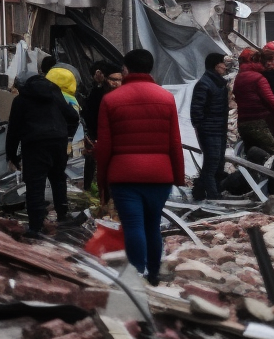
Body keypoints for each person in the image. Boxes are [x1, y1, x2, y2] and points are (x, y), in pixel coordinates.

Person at [96, 50, 183, 283]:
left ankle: (136, 273)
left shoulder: (111, 99)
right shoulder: (166, 97)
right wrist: (179, 176)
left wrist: (102, 180)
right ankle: (154, 273)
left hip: (124, 174)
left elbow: (104, 146)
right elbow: (175, 141)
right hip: (160, 174)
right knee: (152, 224)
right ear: (150, 68)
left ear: (126, 69)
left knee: (133, 224)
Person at [6, 60, 79, 234]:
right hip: (59, 141)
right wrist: (64, 132)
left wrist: (12, 155)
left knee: (35, 184)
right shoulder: (55, 93)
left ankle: (35, 226)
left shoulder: (21, 100)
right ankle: (62, 216)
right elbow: (73, 116)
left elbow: (14, 130)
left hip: (35, 143)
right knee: (58, 178)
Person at [190, 52, 230, 202]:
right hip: (209, 130)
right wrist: (201, 126)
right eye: (222, 64)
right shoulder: (204, 84)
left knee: (218, 162)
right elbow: (196, 110)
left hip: (219, 129)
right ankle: (214, 196)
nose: (225, 67)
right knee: (212, 163)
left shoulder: (219, 83)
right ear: (215, 65)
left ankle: (199, 191)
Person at [235, 49, 274, 155]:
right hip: (258, 121)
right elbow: (271, 100)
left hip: (242, 122)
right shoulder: (258, 78)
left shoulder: (239, 77)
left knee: (252, 152)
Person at [82, 61, 119, 190]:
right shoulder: (113, 93)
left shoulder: (100, 93)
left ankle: (94, 190)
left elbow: (89, 113)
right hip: (104, 136)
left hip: (98, 136)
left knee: (95, 165)